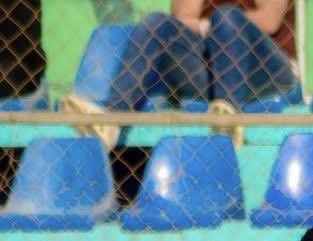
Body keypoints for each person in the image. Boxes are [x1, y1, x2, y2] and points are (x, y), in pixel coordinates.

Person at [60, 0, 297, 149]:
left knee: (226, 18)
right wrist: (209, 27)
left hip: (265, 72)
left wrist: (210, 25)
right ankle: (110, 121)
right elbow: (184, 17)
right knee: (156, 22)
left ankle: (228, 121)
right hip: (213, 71)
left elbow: (269, 20)